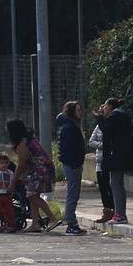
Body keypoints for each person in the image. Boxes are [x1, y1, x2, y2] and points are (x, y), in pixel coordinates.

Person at [95, 98, 133, 224]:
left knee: (115, 184)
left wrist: (100, 118)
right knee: (117, 184)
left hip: (117, 155)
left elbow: (106, 131)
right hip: (121, 154)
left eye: (105, 107)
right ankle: (120, 214)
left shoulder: (115, 117)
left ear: (111, 106)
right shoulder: (121, 115)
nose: (103, 109)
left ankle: (120, 215)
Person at [6, 118, 61, 233]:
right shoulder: (28, 139)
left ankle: (52, 218)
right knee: (32, 196)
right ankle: (35, 224)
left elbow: (20, 165)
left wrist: (13, 183)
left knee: (32, 196)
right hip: (40, 169)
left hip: (38, 170)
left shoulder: (23, 143)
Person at [56, 101, 87, 236]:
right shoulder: (69, 128)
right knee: (72, 194)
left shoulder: (71, 126)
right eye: (78, 110)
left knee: (74, 193)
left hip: (74, 163)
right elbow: (68, 149)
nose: (81, 113)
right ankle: (71, 223)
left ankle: (72, 221)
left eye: (81, 110)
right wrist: (75, 163)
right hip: (72, 164)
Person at [88, 123, 114, 223]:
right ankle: (107, 212)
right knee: (103, 188)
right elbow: (91, 141)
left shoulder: (113, 124)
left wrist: (108, 146)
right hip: (100, 163)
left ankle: (115, 211)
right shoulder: (99, 126)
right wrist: (102, 145)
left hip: (111, 162)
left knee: (111, 188)